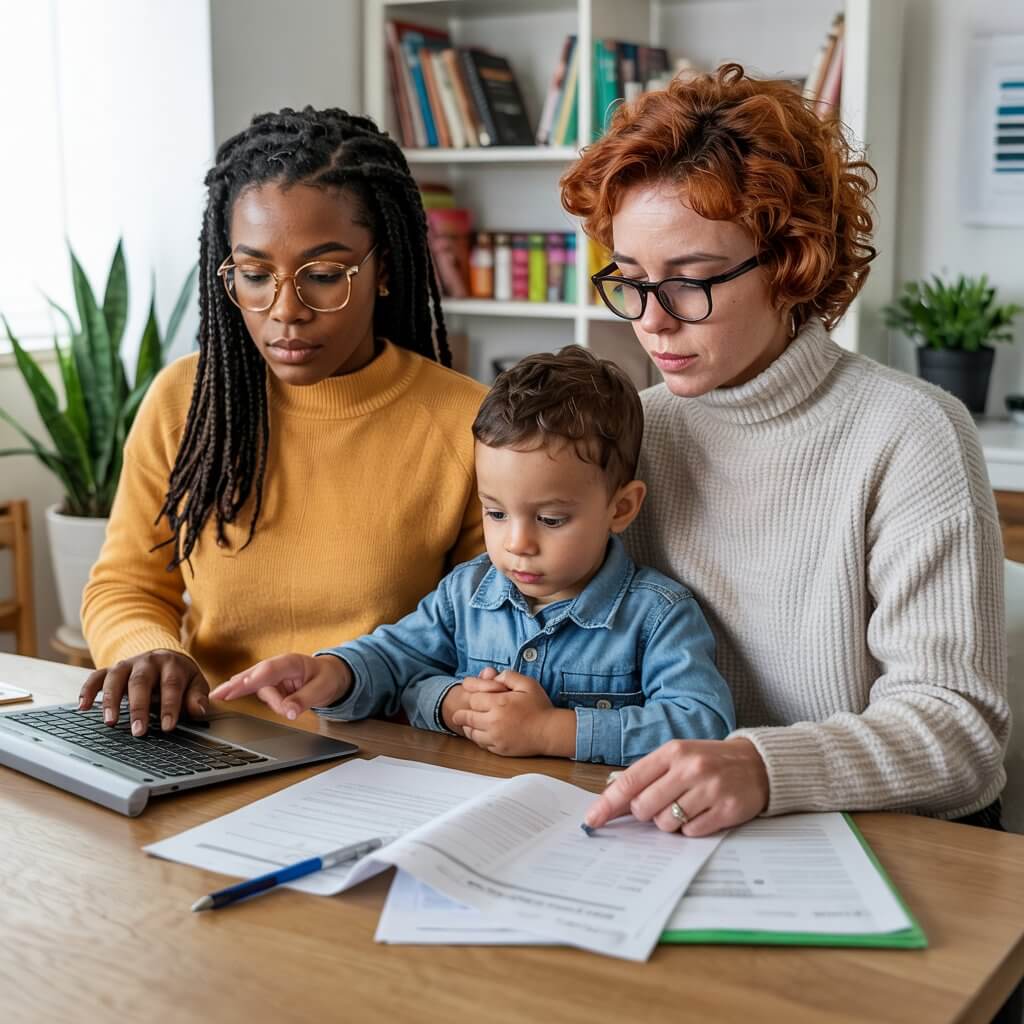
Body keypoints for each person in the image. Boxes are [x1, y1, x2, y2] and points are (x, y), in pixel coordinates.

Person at [558, 64, 1009, 835]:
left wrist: (764, 766)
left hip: (882, 842)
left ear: (793, 263)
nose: (653, 321)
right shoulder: (632, 430)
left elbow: (960, 734)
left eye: (691, 281)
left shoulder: (911, 434)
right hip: (679, 831)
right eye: (630, 280)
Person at [77, 107, 487, 738]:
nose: (285, 311)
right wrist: (150, 651)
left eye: (323, 276)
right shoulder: (184, 402)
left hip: (389, 753)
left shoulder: (465, 423)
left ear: (384, 270)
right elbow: (127, 584)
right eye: (254, 275)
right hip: (209, 740)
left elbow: (493, 627)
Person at [209, 346, 736, 765]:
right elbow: (394, 660)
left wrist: (553, 731)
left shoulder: (657, 614)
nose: (517, 543)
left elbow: (704, 724)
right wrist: (332, 671)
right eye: (495, 513)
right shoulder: (467, 592)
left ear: (621, 508)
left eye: (551, 519)